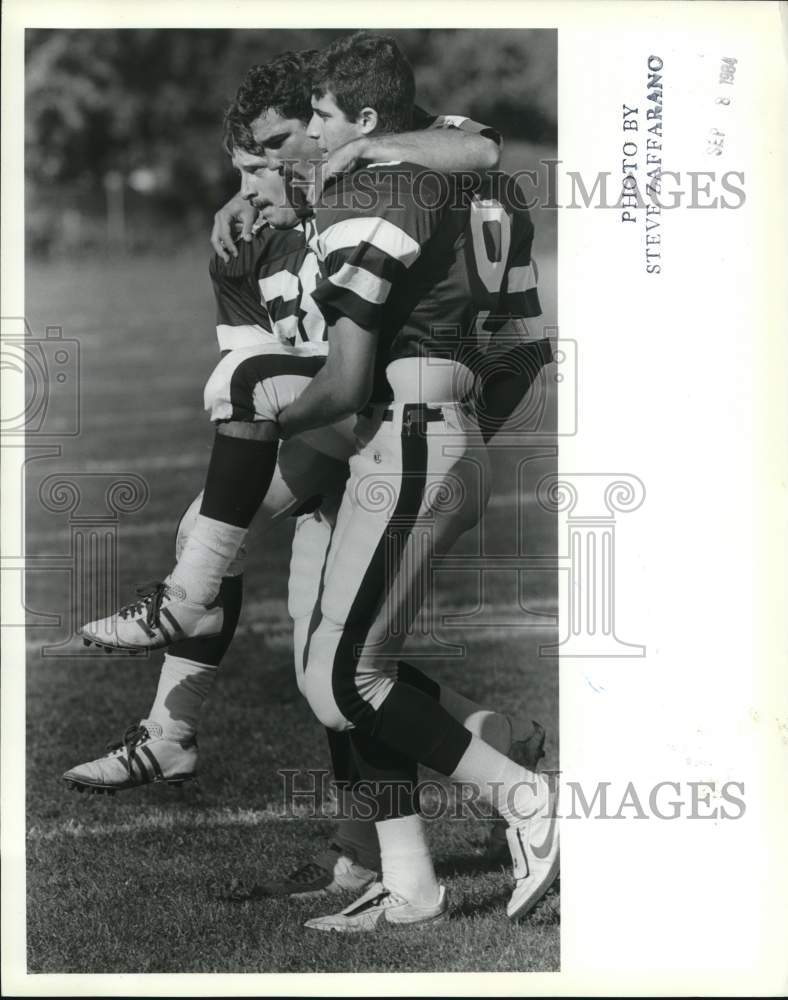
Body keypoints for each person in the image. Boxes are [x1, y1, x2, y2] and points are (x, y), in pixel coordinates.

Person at [65, 43, 548, 898]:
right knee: (332, 675)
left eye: (284, 143)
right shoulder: (260, 230)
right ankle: (396, 861)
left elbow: (477, 154)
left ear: (344, 125)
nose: (261, 177)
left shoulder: (386, 179)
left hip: (387, 425)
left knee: (338, 665)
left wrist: (435, 437)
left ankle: (176, 712)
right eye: (245, 165)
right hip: (361, 434)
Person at [259, 31, 559, 931]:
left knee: (349, 679)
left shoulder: (381, 187)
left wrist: (257, 426)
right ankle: (414, 878)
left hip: (407, 438)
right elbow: (523, 353)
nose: (313, 136)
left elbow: (345, 377)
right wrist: (464, 435)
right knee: (338, 674)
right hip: (434, 435)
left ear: (367, 118)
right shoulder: (484, 184)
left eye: (320, 117)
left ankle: (524, 796)